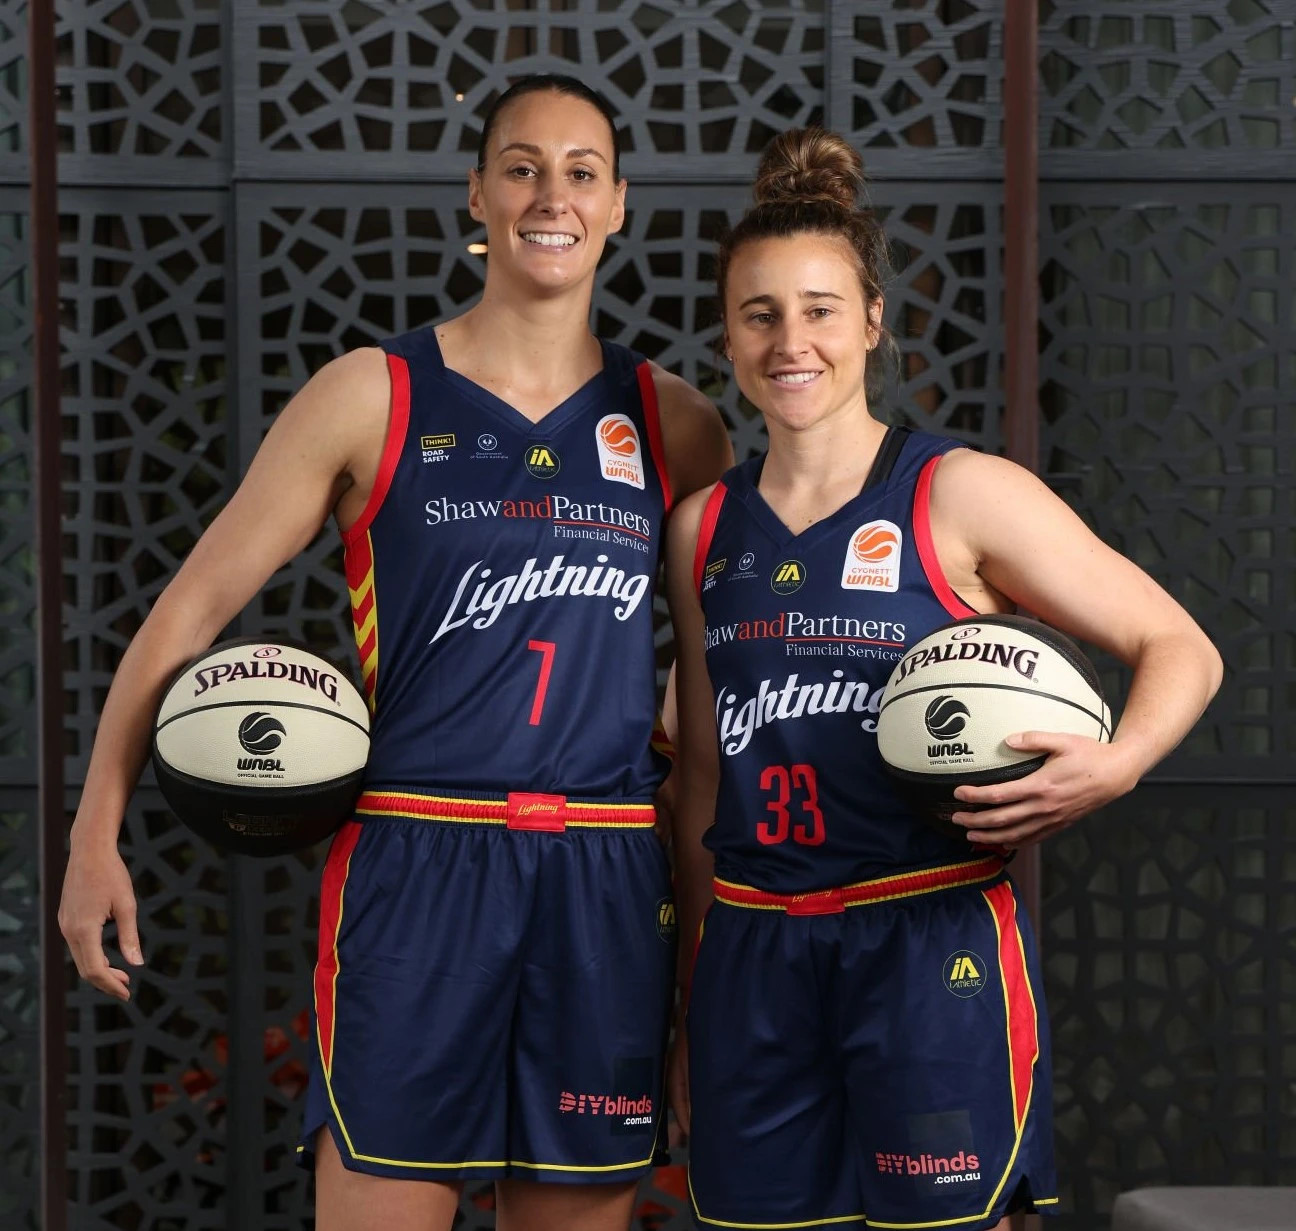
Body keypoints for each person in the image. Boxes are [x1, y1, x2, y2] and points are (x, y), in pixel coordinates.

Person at [58, 74, 731, 1231]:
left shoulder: (676, 423)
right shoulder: (370, 396)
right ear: (476, 193)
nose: (551, 196)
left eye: (581, 172)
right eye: (521, 168)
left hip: (606, 878)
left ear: (619, 203)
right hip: (420, 863)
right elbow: (187, 612)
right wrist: (91, 832)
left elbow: (714, 708)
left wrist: (710, 948)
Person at [664, 127, 1221, 1231]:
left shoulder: (959, 493)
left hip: (925, 939)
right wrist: (688, 1000)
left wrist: (1115, 765)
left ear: (872, 321)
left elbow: (1182, 647)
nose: (790, 341)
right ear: (728, 334)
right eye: (760, 314)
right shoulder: (701, 532)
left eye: (821, 309)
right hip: (754, 952)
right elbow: (703, 786)